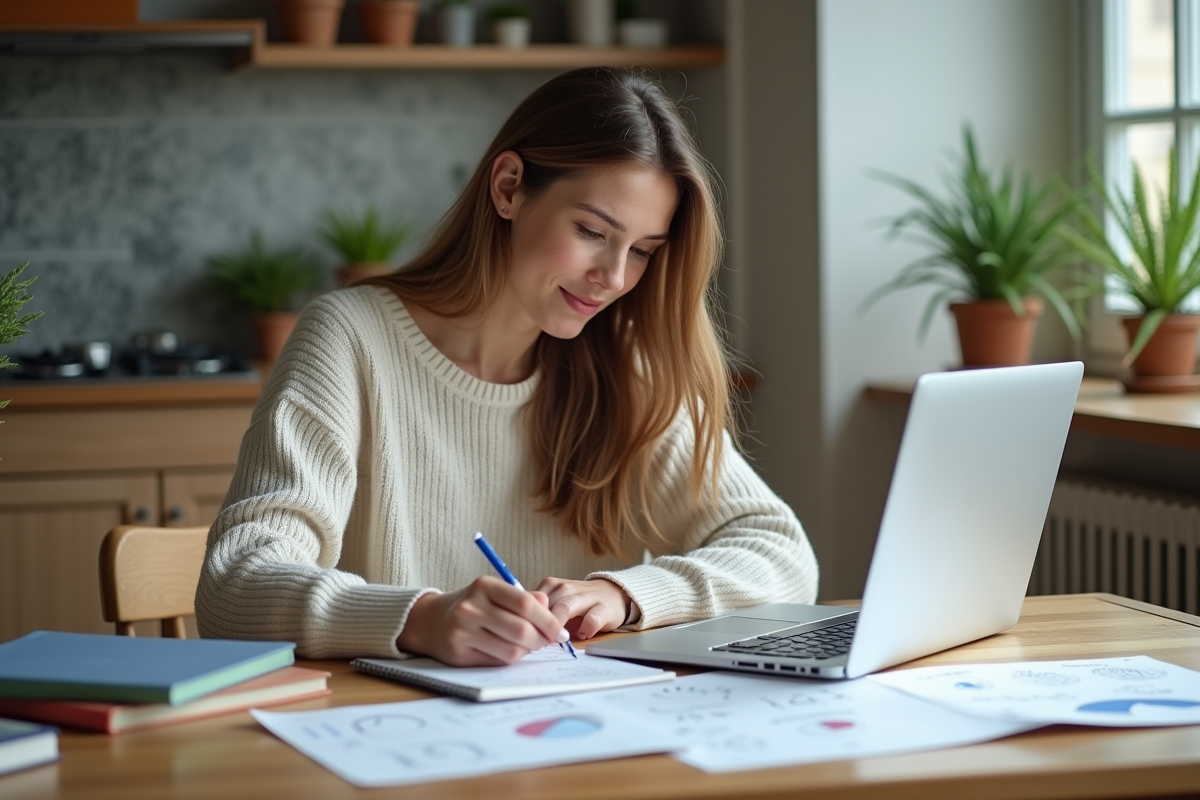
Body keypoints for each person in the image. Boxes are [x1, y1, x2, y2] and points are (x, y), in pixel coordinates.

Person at [195, 67, 818, 666]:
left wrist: (624, 596)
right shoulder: (350, 339)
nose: (614, 277)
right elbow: (234, 586)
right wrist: (419, 620)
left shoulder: (624, 368)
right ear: (509, 187)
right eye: (592, 231)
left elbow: (784, 554)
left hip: (570, 738)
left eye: (643, 252)